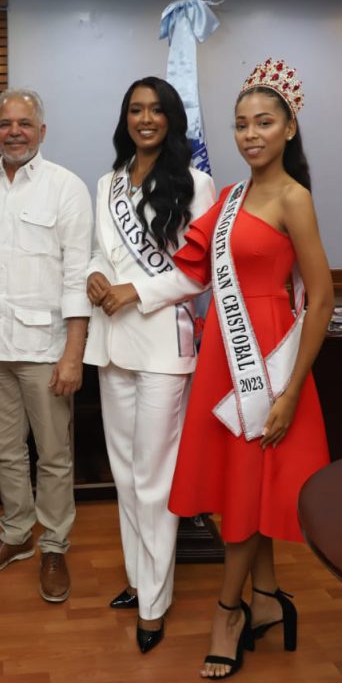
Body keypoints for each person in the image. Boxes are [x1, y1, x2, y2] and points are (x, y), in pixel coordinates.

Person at [136, 58, 334, 679]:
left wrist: (292, 392)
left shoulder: (293, 199)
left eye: (264, 122)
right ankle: (268, 599)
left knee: (252, 485)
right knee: (244, 486)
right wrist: (122, 285)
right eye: (242, 124)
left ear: (289, 129)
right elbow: (191, 267)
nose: (251, 134)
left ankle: (229, 611)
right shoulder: (229, 197)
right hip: (225, 351)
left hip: (269, 359)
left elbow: (323, 298)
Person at [0, 89, 93, 603]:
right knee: (5, 450)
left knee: (53, 454)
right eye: (5, 123)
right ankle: (16, 535)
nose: (14, 131)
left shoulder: (66, 188)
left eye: (25, 123)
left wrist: (73, 353)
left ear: (42, 131)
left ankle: (53, 545)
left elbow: (78, 277)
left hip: (46, 350)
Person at [84, 76, 216, 653]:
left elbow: (196, 272)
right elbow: (98, 251)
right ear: (125, 118)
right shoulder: (107, 183)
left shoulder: (197, 183)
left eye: (156, 110)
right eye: (135, 110)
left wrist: (133, 291)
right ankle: (140, 580)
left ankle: (155, 605)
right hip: (113, 342)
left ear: (171, 119)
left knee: (153, 480)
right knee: (124, 474)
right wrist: (94, 274)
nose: (145, 119)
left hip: (164, 345)